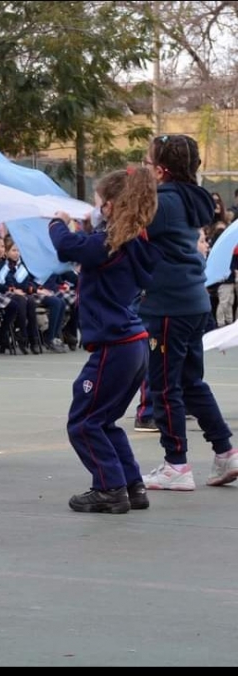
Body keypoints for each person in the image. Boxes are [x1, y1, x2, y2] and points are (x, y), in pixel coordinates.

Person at [49, 168, 159, 513]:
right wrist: (86, 228)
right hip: (133, 343)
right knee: (103, 419)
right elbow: (91, 250)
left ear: (110, 207)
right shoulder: (133, 243)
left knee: (83, 421)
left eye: (98, 204)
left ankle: (109, 488)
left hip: (115, 345)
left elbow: (67, 247)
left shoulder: (109, 243)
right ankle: (131, 484)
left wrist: (57, 224)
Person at [139, 136, 236, 492]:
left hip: (168, 305)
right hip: (193, 300)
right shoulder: (193, 198)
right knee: (192, 381)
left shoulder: (162, 202)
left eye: (148, 163)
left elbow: (128, 234)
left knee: (164, 385)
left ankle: (176, 464)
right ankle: (225, 450)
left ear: (160, 170)